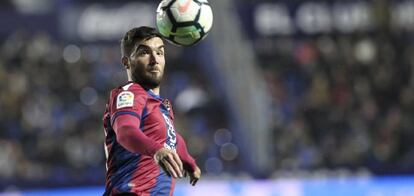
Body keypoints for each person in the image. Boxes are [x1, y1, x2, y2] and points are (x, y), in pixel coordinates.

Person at [103, 26, 201, 196]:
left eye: (160, 53)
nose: (154, 60)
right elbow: (126, 131)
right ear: (126, 62)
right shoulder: (130, 92)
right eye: (144, 53)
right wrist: (157, 151)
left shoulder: (159, 105)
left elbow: (173, 139)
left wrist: (189, 162)